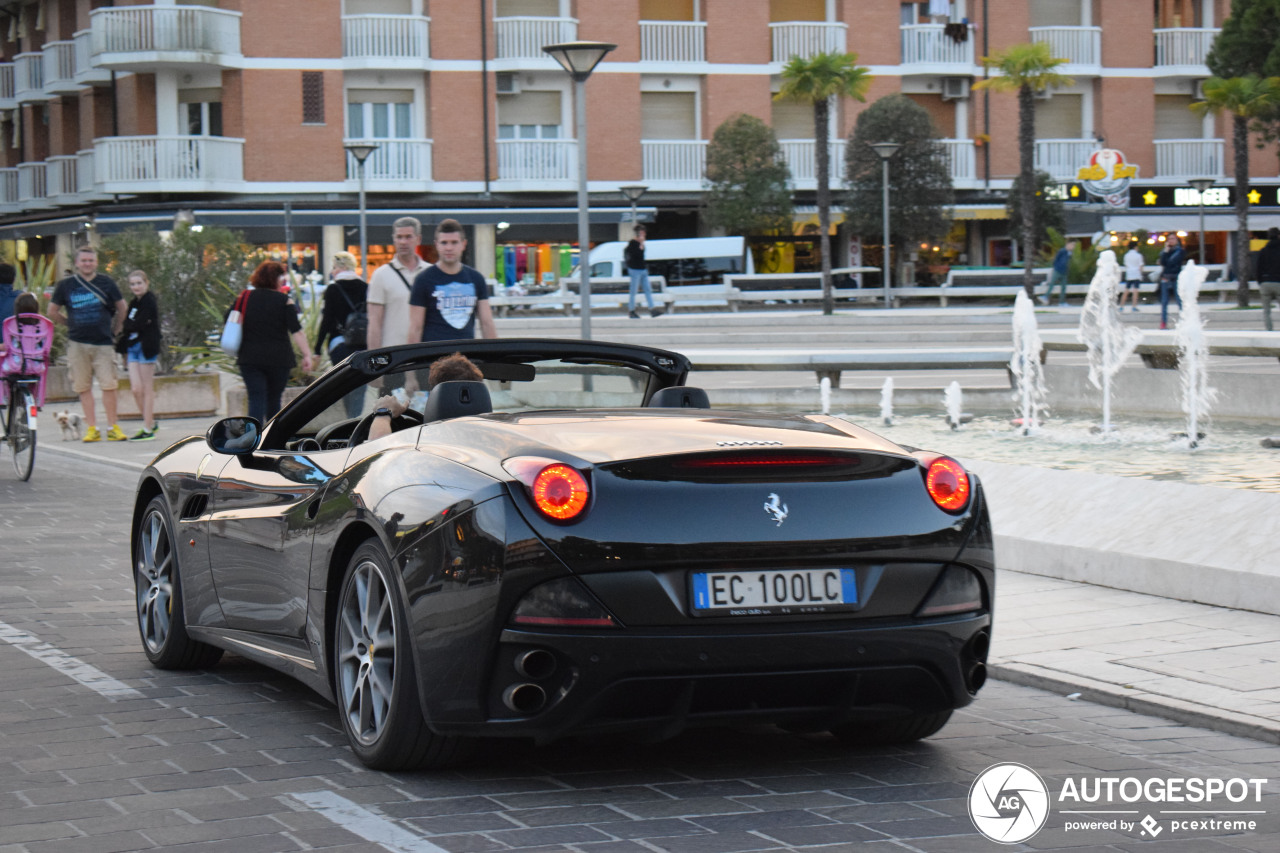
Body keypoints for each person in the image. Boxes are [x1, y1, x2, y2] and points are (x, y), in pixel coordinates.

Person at [49, 246, 128, 442]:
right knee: (83, 386)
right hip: (77, 342)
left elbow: (122, 307)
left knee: (109, 385)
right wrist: (70, 324)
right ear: (76, 263)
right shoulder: (65, 285)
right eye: (83, 260)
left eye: (90, 260)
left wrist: (116, 330)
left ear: (96, 262)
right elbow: (52, 310)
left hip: (103, 342)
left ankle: (112, 426)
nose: (87, 264)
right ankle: (92, 427)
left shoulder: (106, 283)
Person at [236, 260, 315, 423]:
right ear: (276, 279)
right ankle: (271, 440)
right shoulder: (284, 301)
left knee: (255, 399)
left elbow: (230, 321)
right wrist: (307, 355)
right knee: (274, 401)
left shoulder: (244, 298)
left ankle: (252, 439)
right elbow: (297, 331)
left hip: (250, 357)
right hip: (278, 358)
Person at [407, 218, 497, 346]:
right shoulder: (423, 279)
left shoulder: (476, 278)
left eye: (454, 242)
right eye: (444, 243)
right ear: (436, 244)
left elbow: (487, 323)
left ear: (463, 244)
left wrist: (495, 358)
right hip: (433, 356)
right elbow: (415, 327)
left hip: (467, 354)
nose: (449, 248)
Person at [367, 352, 482, 442]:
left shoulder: (423, 443)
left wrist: (383, 413)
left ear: (436, 395)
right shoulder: (494, 436)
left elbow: (376, 455)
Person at [315, 251, 369, 417]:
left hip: (339, 344)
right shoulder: (366, 287)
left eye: (334, 267)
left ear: (344, 267)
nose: (332, 271)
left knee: (343, 383)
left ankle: (348, 420)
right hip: (363, 343)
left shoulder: (333, 289)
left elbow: (327, 320)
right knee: (360, 385)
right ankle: (355, 419)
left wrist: (317, 349)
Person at [367, 216, 428, 359]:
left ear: (418, 239)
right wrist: (374, 363)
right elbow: (374, 323)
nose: (403, 242)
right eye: (399, 237)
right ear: (393, 239)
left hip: (426, 353)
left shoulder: (430, 273)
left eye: (408, 237)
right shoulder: (380, 275)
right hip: (393, 355)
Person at [118, 270, 161, 440]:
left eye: (139, 283)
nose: (136, 287)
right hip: (133, 346)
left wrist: (133, 325)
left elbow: (141, 323)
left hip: (146, 346)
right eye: (133, 284)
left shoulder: (149, 301)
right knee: (136, 389)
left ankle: (147, 428)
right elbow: (128, 323)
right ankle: (150, 421)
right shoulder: (134, 303)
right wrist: (132, 325)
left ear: (146, 283)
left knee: (146, 387)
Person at [625, 225, 663, 319]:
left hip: (642, 269)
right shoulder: (632, 244)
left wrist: (642, 244)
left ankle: (652, 309)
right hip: (635, 270)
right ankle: (631, 310)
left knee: (648, 289)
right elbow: (637, 254)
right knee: (633, 291)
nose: (644, 234)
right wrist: (641, 244)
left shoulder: (641, 244)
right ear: (639, 233)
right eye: (642, 232)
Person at [1157, 235, 1187, 330]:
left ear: (1177, 240)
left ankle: (1184, 322)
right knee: (1164, 301)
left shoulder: (1180, 251)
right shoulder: (1165, 251)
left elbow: (1172, 262)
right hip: (1166, 278)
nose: (1171, 241)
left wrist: (1166, 257)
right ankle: (1163, 323)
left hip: (1176, 277)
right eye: (1169, 239)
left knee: (1179, 301)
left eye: (1173, 239)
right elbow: (1163, 262)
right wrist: (1166, 251)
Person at [1256, 227, 1280, 332]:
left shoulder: (1263, 251)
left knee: (1266, 311)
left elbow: (1258, 268)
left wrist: (1260, 282)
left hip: (1265, 283)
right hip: (1278, 282)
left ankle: (1269, 331)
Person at [1039, 240, 1075, 306]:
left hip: (1064, 272)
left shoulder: (1069, 253)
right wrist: (1056, 267)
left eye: (1074, 245)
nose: (1073, 247)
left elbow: (1068, 262)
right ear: (1068, 244)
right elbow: (1056, 259)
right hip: (1058, 270)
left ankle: (1062, 302)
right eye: (1072, 245)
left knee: (1063, 287)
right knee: (1052, 284)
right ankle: (1045, 296)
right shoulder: (1062, 251)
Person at [1120, 240, 1144, 313]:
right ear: (1135, 247)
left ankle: (1121, 306)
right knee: (1135, 291)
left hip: (1129, 275)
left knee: (1126, 291)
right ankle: (1134, 306)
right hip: (1136, 274)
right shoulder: (1138, 255)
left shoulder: (1126, 255)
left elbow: (1126, 265)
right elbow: (1141, 266)